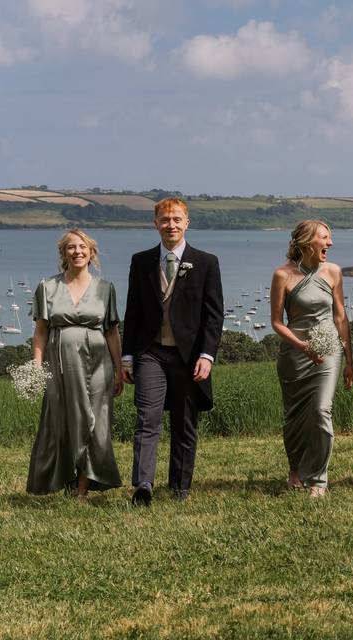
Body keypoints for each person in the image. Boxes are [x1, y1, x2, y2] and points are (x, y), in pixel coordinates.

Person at [121, 197, 224, 506]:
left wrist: (207, 355)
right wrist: (127, 356)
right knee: (147, 417)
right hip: (150, 353)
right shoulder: (141, 262)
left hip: (189, 356)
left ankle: (179, 487)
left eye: (177, 219)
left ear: (187, 223)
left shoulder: (207, 262)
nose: (171, 225)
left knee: (184, 422)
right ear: (155, 224)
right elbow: (134, 311)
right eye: (165, 220)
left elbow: (214, 315)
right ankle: (143, 485)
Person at [27, 229, 123, 500]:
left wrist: (118, 369)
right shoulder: (47, 286)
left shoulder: (106, 289)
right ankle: (63, 479)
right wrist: (37, 365)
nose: (77, 251)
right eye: (71, 247)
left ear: (91, 253)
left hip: (98, 365)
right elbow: (41, 330)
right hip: (58, 364)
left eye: (83, 247)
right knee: (59, 421)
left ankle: (82, 489)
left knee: (95, 422)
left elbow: (113, 332)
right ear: (63, 253)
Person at [270, 220, 353, 498]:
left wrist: (349, 359)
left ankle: (318, 479)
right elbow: (276, 322)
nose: (329, 244)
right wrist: (302, 346)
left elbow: (341, 317)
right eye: (324, 238)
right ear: (307, 242)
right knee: (294, 417)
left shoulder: (334, 272)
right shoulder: (282, 275)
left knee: (320, 410)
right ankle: (295, 468)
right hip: (294, 354)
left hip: (328, 351)